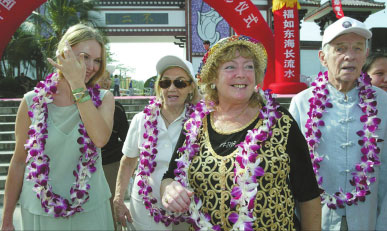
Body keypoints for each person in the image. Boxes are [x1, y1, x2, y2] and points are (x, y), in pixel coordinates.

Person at [161, 35, 322, 231]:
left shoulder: (280, 122)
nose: (242, 74)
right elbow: (169, 176)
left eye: (248, 66)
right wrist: (169, 189)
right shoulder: (195, 125)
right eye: (230, 67)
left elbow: (308, 193)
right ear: (213, 77)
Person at [1, 24, 115, 230]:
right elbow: (18, 162)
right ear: (64, 54)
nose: (91, 66)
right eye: (84, 57)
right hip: (40, 211)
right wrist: (7, 218)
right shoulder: (32, 101)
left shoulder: (104, 99)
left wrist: (78, 86)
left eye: (97, 60)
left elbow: (99, 138)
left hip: (90, 210)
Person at [289, 16, 387, 230]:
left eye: (357, 48)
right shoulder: (302, 103)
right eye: (340, 48)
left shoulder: (383, 102)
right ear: (323, 57)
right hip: (317, 220)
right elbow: (292, 169)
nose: (349, 56)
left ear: (366, 55)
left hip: (367, 221)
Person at [113, 55, 201, 230]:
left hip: (188, 209)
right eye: (165, 83)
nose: (172, 88)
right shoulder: (142, 119)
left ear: (191, 87)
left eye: (180, 83)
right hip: (146, 209)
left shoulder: (201, 122)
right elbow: (128, 161)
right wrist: (118, 198)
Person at [97, 71, 129, 230]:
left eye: (108, 79)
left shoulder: (116, 108)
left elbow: (127, 139)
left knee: (111, 212)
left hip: (111, 166)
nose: (106, 82)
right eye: (101, 79)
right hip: (85, 167)